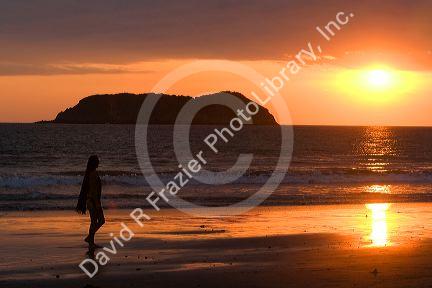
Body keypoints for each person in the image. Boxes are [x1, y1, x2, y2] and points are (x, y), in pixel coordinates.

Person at [76, 155, 105, 247]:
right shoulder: (92, 174)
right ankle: (90, 239)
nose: (98, 162)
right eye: (97, 161)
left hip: (92, 201)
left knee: (95, 221)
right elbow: (93, 191)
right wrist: (97, 204)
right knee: (100, 221)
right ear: (94, 163)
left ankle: (90, 240)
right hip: (93, 201)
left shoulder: (92, 173)